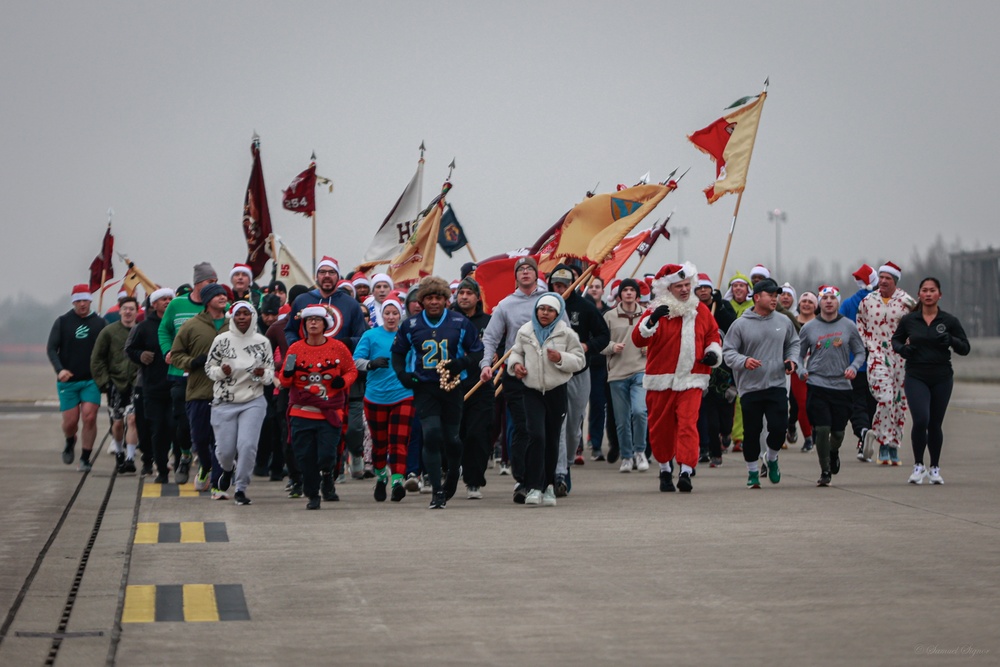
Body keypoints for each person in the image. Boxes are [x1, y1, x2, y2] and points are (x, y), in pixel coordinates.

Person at [392, 276, 484, 509]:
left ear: (446, 299)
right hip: (425, 386)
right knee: (431, 434)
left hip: (452, 386)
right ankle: (437, 490)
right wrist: (403, 374)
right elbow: (398, 353)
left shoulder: (459, 322)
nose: (434, 302)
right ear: (421, 300)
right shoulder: (410, 325)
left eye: (438, 298)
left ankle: (453, 471)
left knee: (452, 439)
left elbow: (478, 351)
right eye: (429, 298)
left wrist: (461, 364)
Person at [632, 263, 722, 492]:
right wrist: (651, 322)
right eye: (679, 286)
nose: (684, 289)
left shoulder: (700, 310)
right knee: (660, 428)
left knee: (687, 424)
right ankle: (664, 469)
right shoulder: (656, 310)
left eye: (686, 285)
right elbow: (638, 340)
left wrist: (712, 353)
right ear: (668, 288)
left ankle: (685, 471)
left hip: (692, 378)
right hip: (660, 380)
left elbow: (713, 335)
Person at [479, 256, 549, 503]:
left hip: (545, 375)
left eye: (530, 269)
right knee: (522, 427)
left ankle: (544, 480)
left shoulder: (549, 302)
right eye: (521, 270)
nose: (526, 273)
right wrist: (486, 364)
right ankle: (522, 479)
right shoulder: (506, 305)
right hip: (515, 373)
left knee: (542, 431)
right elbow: (490, 338)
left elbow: (565, 336)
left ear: (537, 274)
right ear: (516, 276)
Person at [507, 293, 586, 506]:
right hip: (532, 391)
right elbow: (515, 353)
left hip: (556, 390)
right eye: (542, 309)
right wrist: (516, 366)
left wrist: (561, 358)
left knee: (551, 439)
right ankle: (533, 486)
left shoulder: (567, 334)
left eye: (550, 310)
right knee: (536, 436)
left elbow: (580, 360)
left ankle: (549, 485)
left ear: (558, 313)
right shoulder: (525, 331)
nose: (545, 313)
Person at [722, 278, 800, 489]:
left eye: (776, 296)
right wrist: (744, 361)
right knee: (752, 432)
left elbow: (794, 343)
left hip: (776, 383)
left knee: (778, 427)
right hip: (750, 388)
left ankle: (772, 458)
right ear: (757, 297)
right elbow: (728, 352)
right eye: (771, 295)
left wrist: (792, 360)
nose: (775, 299)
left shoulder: (783, 321)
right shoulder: (740, 324)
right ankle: (752, 472)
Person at [892, 278, 970, 485]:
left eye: (932, 290)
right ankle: (918, 466)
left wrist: (951, 341)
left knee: (935, 423)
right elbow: (895, 340)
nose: (928, 294)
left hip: (942, 377)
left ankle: (934, 468)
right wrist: (903, 350)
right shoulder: (910, 320)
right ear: (919, 295)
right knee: (921, 420)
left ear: (939, 295)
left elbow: (965, 347)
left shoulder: (949, 321)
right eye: (924, 290)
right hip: (916, 375)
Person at [280, 306, 358, 509]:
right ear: (304, 324)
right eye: (309, 320)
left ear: (326, 324)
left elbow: (351, 370)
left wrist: (344, 381)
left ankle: (327, 477)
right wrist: (287, 376)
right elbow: (284, 380)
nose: (313, 323)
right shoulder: (295, 349)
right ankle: (312, 494)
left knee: (326, 454)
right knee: (305, 456)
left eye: (317, 319)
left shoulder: (339, 347)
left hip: (330, 411)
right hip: (301, 410)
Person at [548, 264, 609, 495]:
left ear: (573, 284)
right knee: (558, 424)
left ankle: (568, 462)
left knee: (573, 428)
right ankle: (559, 473)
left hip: (579, 373)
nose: (560, 288)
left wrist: (587, 346)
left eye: (565, 284)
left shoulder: (585, 307)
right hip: (553, 374)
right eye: (556, 284)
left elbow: (604, 336)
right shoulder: (543, 307)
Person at [205, 301, 273, 505]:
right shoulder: (221, 340)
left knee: (247, 446)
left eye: (246, 313)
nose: (242, 317)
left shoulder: (262, 342)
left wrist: (262, 375)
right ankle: (227, 469)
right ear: (232, 316)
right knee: (225, 451)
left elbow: (270, 375)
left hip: (253, 400)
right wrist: (221, 372)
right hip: (224, 402)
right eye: (238, 314)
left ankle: (241, 487)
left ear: (253, 316)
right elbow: (209, 368)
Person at [797, 286, 866, 486]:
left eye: (832, 298)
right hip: (817, 384)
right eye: (825, 298)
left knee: (837, 432)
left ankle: (833, 452)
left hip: (842, 385)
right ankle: (824, 469)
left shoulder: (848, 326)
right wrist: (801, 370)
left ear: (838, 302)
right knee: (822, 428)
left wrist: (854, 367)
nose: (828, 301)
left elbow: (860, 352)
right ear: (819, 302)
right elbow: (799, 354)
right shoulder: (809, 328)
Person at [159, 262, 218, 483]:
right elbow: (164, 330)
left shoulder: (217, 306)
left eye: (215, 282)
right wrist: (168, 351)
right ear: (197, 283)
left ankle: (208, 465)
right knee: (182, 422)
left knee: (209, 425)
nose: (214, 286)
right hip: (180, 372)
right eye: (209, 282)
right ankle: (183, 455)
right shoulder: (176, 305)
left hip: (208, 376)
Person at [169, 282, 229, 496]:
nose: (223, 297)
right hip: (198, 392)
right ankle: (205, 465)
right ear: (207, 300)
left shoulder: (234, 325)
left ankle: (217, 484)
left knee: (220, 442)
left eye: (224, 294)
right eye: (218, 294)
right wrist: (193, 362)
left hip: (226, 394)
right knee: (201, 440)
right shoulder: (191, 326)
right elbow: (175, 355)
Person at [354, 296, 414, 502]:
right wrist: (370, 364)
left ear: (400, 315)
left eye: (395, 313)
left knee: (399, 441)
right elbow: (355, 362)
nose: (391, 317)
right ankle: (381, 477)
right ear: (381, 315)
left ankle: (397, 481)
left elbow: (416, 359)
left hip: (403, 394)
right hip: (375, 396)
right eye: (387, 313)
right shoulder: (370, 336)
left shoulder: (407, 336)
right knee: (380, 443)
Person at [856, 261, 917, 465]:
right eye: (880, 277)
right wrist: (868, 345)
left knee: (900, 403)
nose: (882, 281)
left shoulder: (906, 301)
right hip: (877, 357)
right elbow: (860, 325)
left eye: (887, 278)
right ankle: (883, 440)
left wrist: (910, 344)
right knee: (885, 398)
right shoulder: (868, 301)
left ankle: (893, 445)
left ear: (895, 281)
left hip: (900, 358)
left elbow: (918, 324)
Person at [48, 284, 106, 470]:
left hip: (91, 380)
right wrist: (59, 370)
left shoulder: (100, 323)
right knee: (71, 422)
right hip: (68, 380)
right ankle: (69, 440)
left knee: (89, 417)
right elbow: (51, 349)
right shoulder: (63, 322)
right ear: (74, 302)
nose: (82, 304)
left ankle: (86, 457)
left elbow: (106, 351)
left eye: (85, 300)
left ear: (90, 300)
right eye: (78, 301)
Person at [450, 277, 494, 499]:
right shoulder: (447, 320)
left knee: (477, 434)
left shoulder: (489, 321)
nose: (464, 296)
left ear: (478, 297)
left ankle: (474, 481)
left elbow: (500, 343)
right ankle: (447, 473)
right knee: (454, 435)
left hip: (481, 384)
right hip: (451, 385)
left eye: (469, 293)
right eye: (461, 293)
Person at [125, 287, 175, 483]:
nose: (167, 302)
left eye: (170, 298)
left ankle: (178, 461)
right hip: (152, 387)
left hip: (175, 385)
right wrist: (140, 355)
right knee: (156, 428)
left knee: (173, 426)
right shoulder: (143, 327)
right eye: (163, 299)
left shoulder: (177, 325)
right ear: (154, 304)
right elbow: (130, 349)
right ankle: (161, 469)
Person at [602, 278, 649, 474]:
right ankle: (627, 456)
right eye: (625, 290)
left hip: (641, 370)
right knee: (621, 420)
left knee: (639, 412)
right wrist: (612, 347)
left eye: (632, 290)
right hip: (617, 373)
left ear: (637, 295)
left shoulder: (647, 315)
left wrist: (650, 348)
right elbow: (599, 343)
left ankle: (640, 452)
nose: (629, 293)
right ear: (619, 294)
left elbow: (658, 338)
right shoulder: (609, 316)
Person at [90, 295, 140, 473]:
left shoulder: (140, 331)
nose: (128, 312)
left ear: (137, 311)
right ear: (120, 311)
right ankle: (119, 452)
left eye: (131, 309)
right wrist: (104, 383)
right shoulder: (109, 332)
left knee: (133, 420)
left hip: (136, 383)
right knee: (118, 423)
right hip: (115, 385)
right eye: (125, 308)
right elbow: (97, 359)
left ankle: (130, 457)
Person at [840, 264, 879, 461]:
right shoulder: (880, 302)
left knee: (856, 403)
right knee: (872, 403)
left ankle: (862, 433)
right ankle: (866, 435)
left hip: (854, 363)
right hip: (877, 363)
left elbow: (839, 329)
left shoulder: (848, 304)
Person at [789, 291, 818, 452]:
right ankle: (807, 437)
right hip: (797, 370)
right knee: (802, 404)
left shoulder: (821, 323)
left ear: (816, 306)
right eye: (803, 301)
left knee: (816, 404)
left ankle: (817, 431)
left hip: (818, 370)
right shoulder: (792, 323)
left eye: (810, 302)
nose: (806, 304)